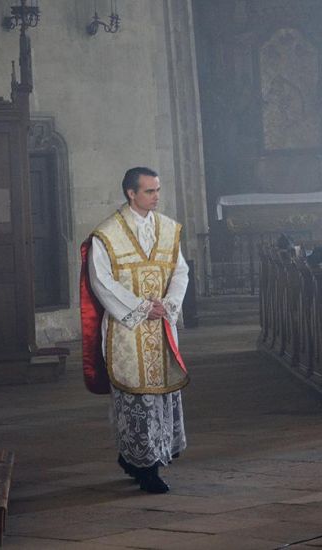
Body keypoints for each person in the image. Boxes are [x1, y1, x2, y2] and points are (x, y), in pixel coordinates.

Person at [80, 167, 189, 494]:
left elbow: (181, 272)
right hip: (127, 330)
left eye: (157, 190)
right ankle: (145, 468)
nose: (157, 197)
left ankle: (146, 457)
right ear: (131, 193)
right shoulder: (107, 234)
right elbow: (101, 282)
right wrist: (142, 308)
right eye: (149, 191)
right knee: (136, 400)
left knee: (161, 396)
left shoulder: (169, 229)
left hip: (161, 328)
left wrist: (168, 304)